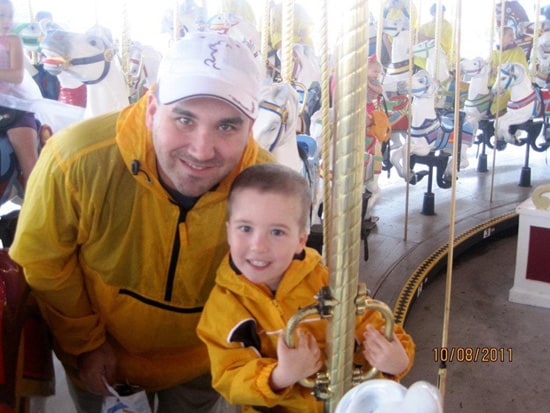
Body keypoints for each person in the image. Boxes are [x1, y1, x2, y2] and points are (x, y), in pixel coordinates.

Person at [9, 31, 274, 413]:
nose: (202, 150)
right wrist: (86, 344)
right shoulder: (74, 160)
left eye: (227, 126)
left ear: (250, 127)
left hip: (202, 359)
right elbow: (43, 260)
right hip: (99, 357)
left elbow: (280, 277)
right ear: (151, 109)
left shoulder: (266, 185)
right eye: (184, 119)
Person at [197, 163, 415, 412]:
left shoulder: (329, 282)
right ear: (228, 232)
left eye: (277, 232)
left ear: (300, 240)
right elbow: (229, 376)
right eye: (245, 228)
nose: (258, 245)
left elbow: (377, 325)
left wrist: (397, 362)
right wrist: (279, 376)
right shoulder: (224, 305)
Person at [0, 0, 42, 187]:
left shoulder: (12, 41)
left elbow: (17, 75)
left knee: (30, 165)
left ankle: (37, 195)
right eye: (2, 15)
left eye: (10, 16)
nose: (7, 20)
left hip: (13, 107)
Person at [489, 25, 529, 115]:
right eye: (510, 35)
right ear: (501, 37)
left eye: (513, 35)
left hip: (512, 83)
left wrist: (499, 70)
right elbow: (489, 64)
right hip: (495, 81)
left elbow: (518, 68)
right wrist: (491, 69)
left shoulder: (518, 51)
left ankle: (501, 114)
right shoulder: (494, 53)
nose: (513, 37)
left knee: (502, 94)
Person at [416, 3, 455, 70]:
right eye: (438, 12)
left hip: (440, 56)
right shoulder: (424, 26)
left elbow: (440, 43)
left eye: (442, 13)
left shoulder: (447, 26)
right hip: (423, 58)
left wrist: (424, 37)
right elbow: (417, 41)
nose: (441, 15)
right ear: (432, 13)